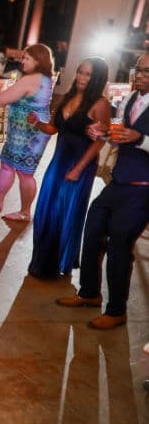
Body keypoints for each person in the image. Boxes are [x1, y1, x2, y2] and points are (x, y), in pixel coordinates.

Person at [55, 53, 149, 329]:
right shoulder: (132, 98)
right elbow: (120, 134)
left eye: (147, 70)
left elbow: (137, 138)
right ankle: (89, 293)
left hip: (143, 188)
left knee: (120, 245)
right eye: (138, 69)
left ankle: (116, 310)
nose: (140, 74)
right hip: (118, 180)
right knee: (93, 229)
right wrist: (105, 133)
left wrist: (140, 139)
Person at [27, 57, 110, 279]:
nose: (82, 77)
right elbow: (54, 129)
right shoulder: (67, 97)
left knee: (62, 213)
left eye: (88, 74)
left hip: (79, 166)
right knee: (45, 211)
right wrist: (37, 123)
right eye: (80, 72)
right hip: (58, 162)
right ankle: (41, 260)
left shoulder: (100, 104)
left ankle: (53, 264)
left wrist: (78, 169)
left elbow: (99, 141)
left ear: (97, 78)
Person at [0, 43, 55, 221]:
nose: (22, 61)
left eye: (27, 58)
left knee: (25, 172)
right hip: (20, 132)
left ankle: (25, 212)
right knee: (7, 163)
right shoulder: (43, 78)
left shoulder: (31, 79)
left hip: (30, 134)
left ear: (38, 60)